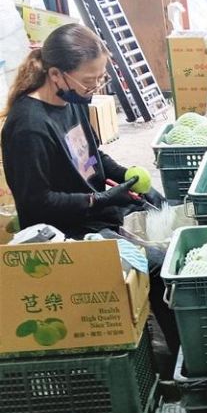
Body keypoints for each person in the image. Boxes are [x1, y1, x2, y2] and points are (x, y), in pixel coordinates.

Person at [0, 24, 180, 366]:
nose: (94, 88)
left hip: (94, 210)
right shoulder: (28, 127)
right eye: (88, 80)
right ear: (56, 74)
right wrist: (102, 200)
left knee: (168, 216)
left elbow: (93, 157)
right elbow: (37, 204)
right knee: (156, 266)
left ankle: (161, 335)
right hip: (64, 234)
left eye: (100, 79)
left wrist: (124, 177)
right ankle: (175, 361)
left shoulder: (74, 102)